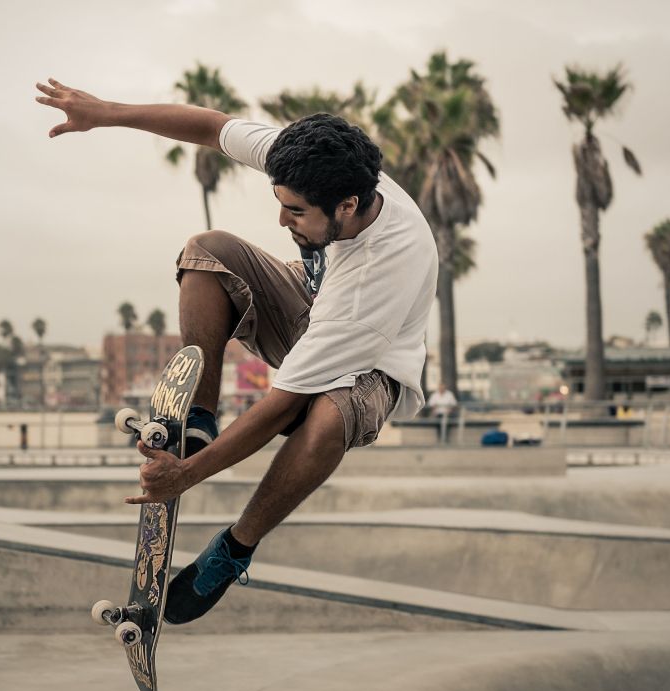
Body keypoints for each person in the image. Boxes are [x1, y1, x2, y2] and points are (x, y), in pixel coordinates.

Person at [36, 79, 437, 624]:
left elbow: (285, 404)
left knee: (325, 417)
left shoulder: (377, 277)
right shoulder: (313, 162)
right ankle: (199, 416)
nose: (281, 221)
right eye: (281, 204)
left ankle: (234, 549)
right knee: (208, 252)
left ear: (347, 205)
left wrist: (189, 475)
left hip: (373, 369)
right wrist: (104, 113)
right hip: (313, 305)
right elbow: (209, 125)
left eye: (296, 212)